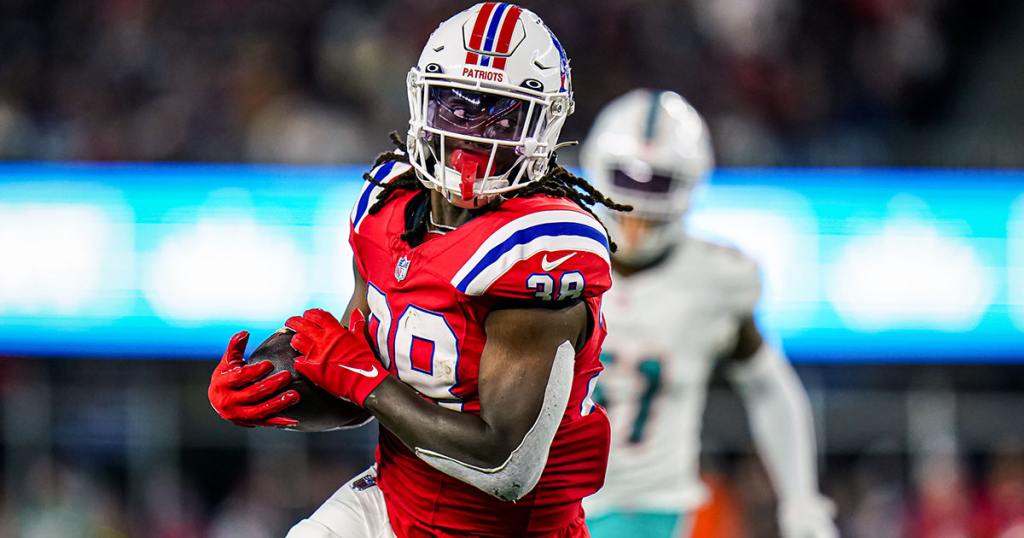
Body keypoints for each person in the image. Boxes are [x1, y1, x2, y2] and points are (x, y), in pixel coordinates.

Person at [207, 4, 630, 537]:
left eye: (501, 113)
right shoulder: (386, 203)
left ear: (544, 126)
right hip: (395, 500)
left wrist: (364, 381)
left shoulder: (537, 248)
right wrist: (270, 396)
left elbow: (505, 468)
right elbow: (351, 384)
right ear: (423, 102)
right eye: (458, 106)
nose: (476, 133)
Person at [579, 89, 839, 538]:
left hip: (652, 513)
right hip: (549, 501)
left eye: (658, 183)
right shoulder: (555, 257)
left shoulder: (716, 279)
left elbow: (770, 388)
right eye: (630, 179)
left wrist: (802, 501)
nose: (639, 206)